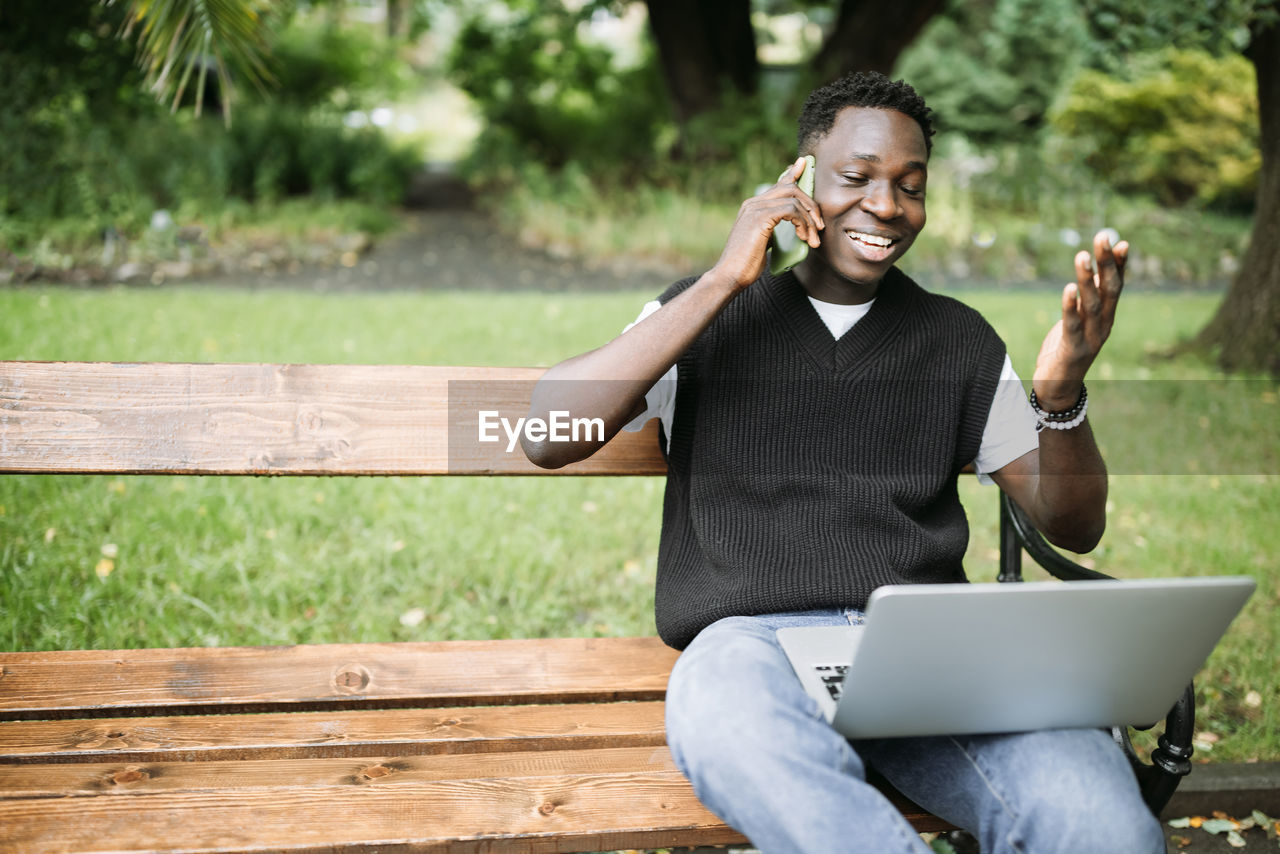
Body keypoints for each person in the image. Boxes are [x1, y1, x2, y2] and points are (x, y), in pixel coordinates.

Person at [521, 72, 1163, 854]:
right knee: (726, 719)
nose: (887, 206)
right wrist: (724, 278)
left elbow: (1075, 525)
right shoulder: (703, 315)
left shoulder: (955, 340)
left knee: (1092, 806)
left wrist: (1060, 394)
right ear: (800, 182)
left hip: (923, 649)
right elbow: (548, 433)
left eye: (910, 186)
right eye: (856, 178)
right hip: (752, 645)